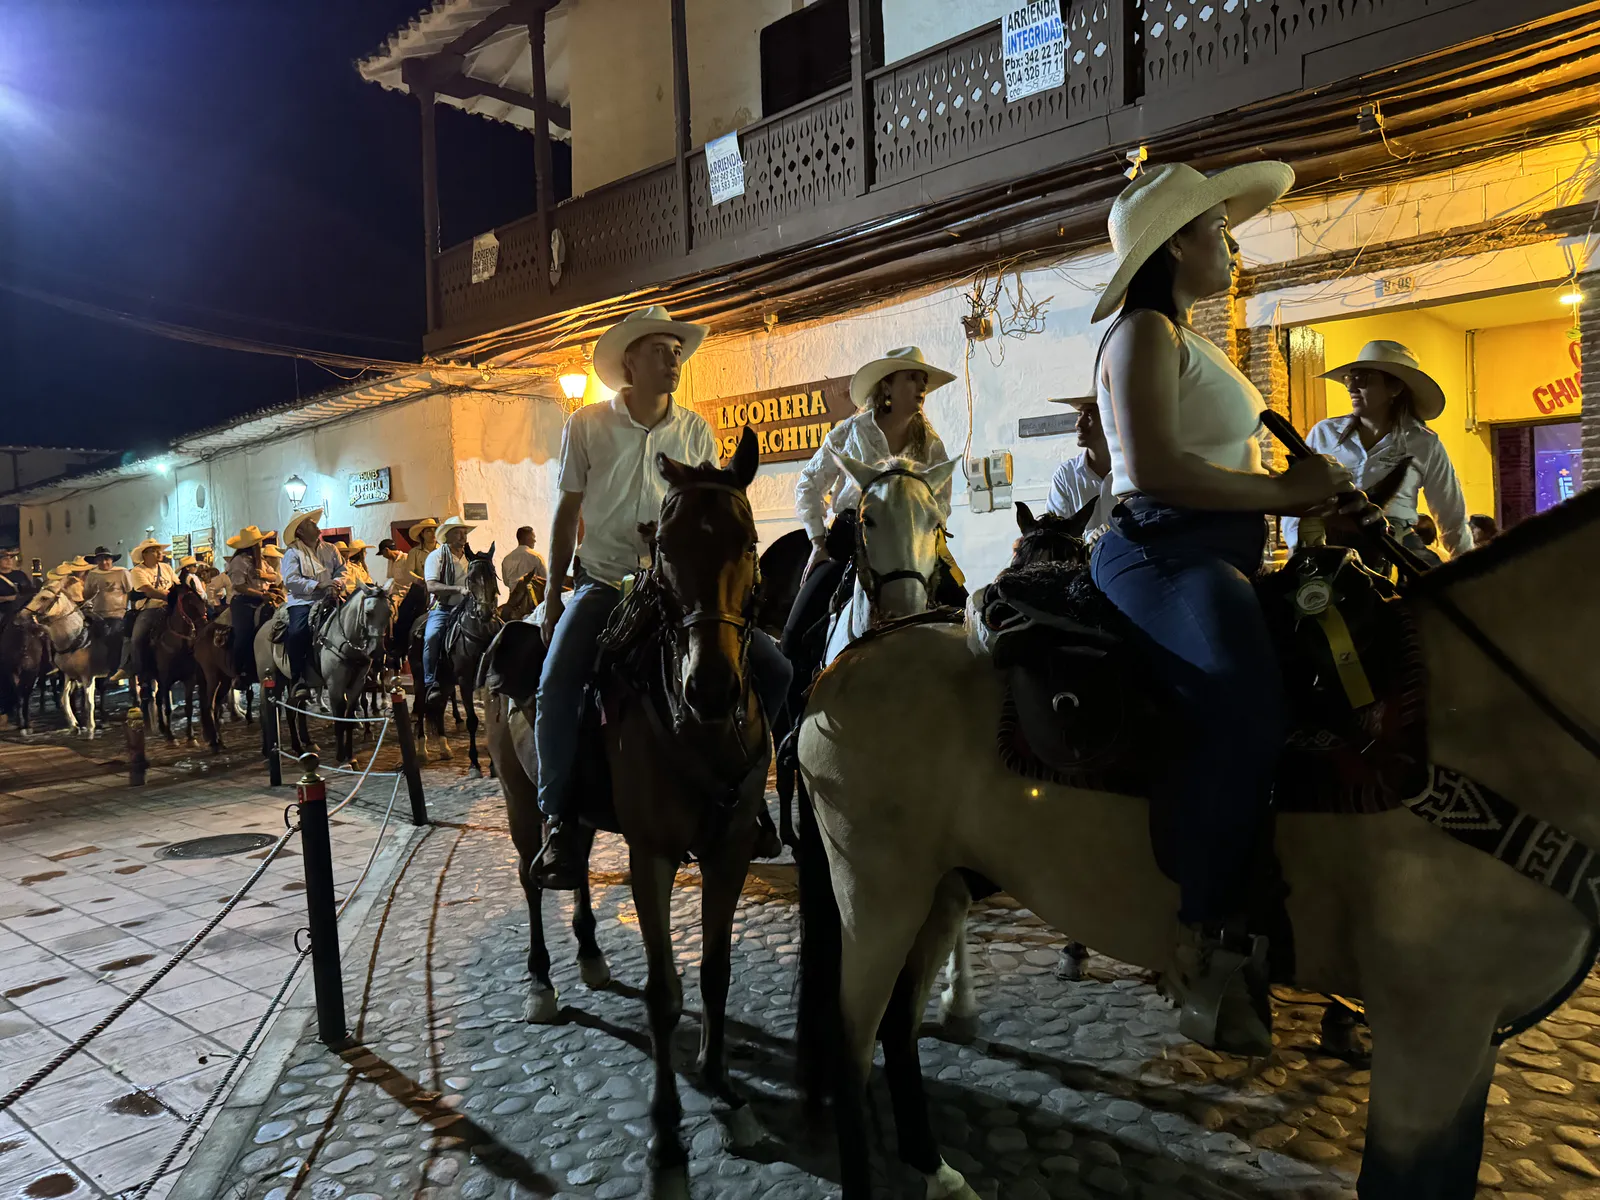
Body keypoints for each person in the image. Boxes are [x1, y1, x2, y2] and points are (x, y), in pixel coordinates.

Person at [1088, 161, 1364, 1055]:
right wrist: (1285, 493)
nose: (1234, 246)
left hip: (1224, 550)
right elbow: (1156, 470)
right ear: (1177, 240)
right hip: (1160, 548)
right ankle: (1205, 933)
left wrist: (1308, 499)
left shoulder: (1188, 338)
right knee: (1246, 703)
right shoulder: (1142, 334)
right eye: (1220, 231)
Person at [534, 306, 793, 888]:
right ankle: (558, 819)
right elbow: (567, 510)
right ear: (629, 361)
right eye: (661, 351)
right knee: (557, 681)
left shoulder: (694, 429)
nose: (673, 360)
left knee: (774, 671)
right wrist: (553, 592)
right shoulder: (587, 425)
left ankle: (748, 794)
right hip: (604, 581)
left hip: (671, 588)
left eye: (677, 352)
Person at [785, 346, 960, 666]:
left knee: (963, 616)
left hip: (912, 541)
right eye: (912, 378)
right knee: (795, 636)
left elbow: (941, 503)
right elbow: (808, 484)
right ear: (887, 386)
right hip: (850, 538)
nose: (922, 387)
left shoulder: (930, 444)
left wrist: (926, 536)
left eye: (923, 380)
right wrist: (817, 542)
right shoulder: (850, 433)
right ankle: (799, 710)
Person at [1280, 340, 1470, 558]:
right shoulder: (1324, 432)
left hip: (1395, 543)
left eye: (1364, 379)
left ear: (1395, 388)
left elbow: (1451, 514)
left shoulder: (1425, 443)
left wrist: (1470, 571)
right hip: (1331, 541)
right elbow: (1297, 494)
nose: (1352, 388)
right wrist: (1299, 546)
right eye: (1351, 379)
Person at [279, 508, 345, 697]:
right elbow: (290, 580)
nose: (315, 525)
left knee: (357, 620)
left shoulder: (330, 549)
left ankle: (364, 669)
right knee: (297, 632)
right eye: (310, 523)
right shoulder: (293, 552)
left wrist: (338, 583)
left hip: (331, 597)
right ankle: (298, 678)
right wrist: (319, 585)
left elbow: (342, 570)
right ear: (299, 531)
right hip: (303, 601)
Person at [1044, 397, 1115, 541]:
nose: (1078, 424)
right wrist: (1089, 540)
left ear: (1109, 419)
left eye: (1088, 415)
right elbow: (1056, 534)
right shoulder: (1065, 475)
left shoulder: (1131, 473)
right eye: (1079, 414)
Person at [421, 516, 474, 701]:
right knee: (432, 636)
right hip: (444, 607)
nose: (463, 536)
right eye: (458, 533)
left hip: (469, 608)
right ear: (447, 536)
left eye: (465, 532)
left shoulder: (471, 556)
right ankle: (431, 681)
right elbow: (432, 586)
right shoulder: (436, 557)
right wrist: (458, 589)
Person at [112, 538, 180, 682]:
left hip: (171, 607)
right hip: (151, 609)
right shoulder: (137, 571)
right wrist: (170, 597)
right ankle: (137, 670)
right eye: (154, 551)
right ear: (145, 555)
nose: (158, 553)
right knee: (137, 638)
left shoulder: (166, 568)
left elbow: (177, 584)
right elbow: (149, 591)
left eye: (158, 550)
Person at [224, 525, 274, 677]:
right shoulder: (239, 561)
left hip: (264, 598)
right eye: (258, 542)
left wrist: (264, 576)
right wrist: (260, 594)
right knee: (244, 633)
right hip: (244, 602)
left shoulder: (262, 562)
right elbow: (239, 586)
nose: (261, 545)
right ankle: (239, 670)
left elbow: (276, 576)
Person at [82, 547, 132, 628]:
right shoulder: (92, 574)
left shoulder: (122, 572)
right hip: (98, 614)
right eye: (100, 560)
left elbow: (130, 591)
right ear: (96, 561)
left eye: (106, 559)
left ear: (112, 560)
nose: (104, 562)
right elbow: (86, 596)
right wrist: (93, 592)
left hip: (118, 614)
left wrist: (127, 610)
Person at [501, 526, 547, 591]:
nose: (535, 541)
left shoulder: (507, 559)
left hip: (514, 598)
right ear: (527, 539)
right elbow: (545, 579)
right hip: (533, 598)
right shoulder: (536, 557)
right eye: (533, 537)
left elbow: (506, 582)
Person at [0, 547, 34, 623]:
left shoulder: (20, 575)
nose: (9, 561)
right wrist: (8, 598)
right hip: (3, 611)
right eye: (5, 559)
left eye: (11, 558)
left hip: (22, 608)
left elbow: (29, 591)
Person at [405, 519, 438, 588]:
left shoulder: (443, 550)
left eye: (435, 530)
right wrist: (418, 580)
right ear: (422, 534)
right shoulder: (414, 552)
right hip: (421, 588)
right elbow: (409, 571)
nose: (433, 533)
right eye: (429, 531)